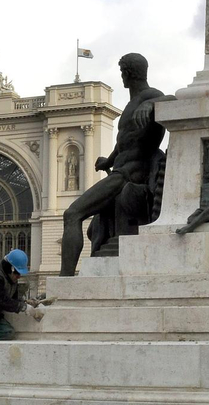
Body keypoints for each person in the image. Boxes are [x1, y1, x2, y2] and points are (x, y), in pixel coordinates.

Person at [60, 53, 170, 276]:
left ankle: (65, 279)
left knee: (72, 214)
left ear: (128, 73)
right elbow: (124, 144)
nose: (122, 77)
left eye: (122, 72)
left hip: (130, 176)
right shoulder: (130, 104)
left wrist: (151, 105)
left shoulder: (151, 95)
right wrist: (108, 160)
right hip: (119, 170)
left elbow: (174, 100)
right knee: (93, 229)